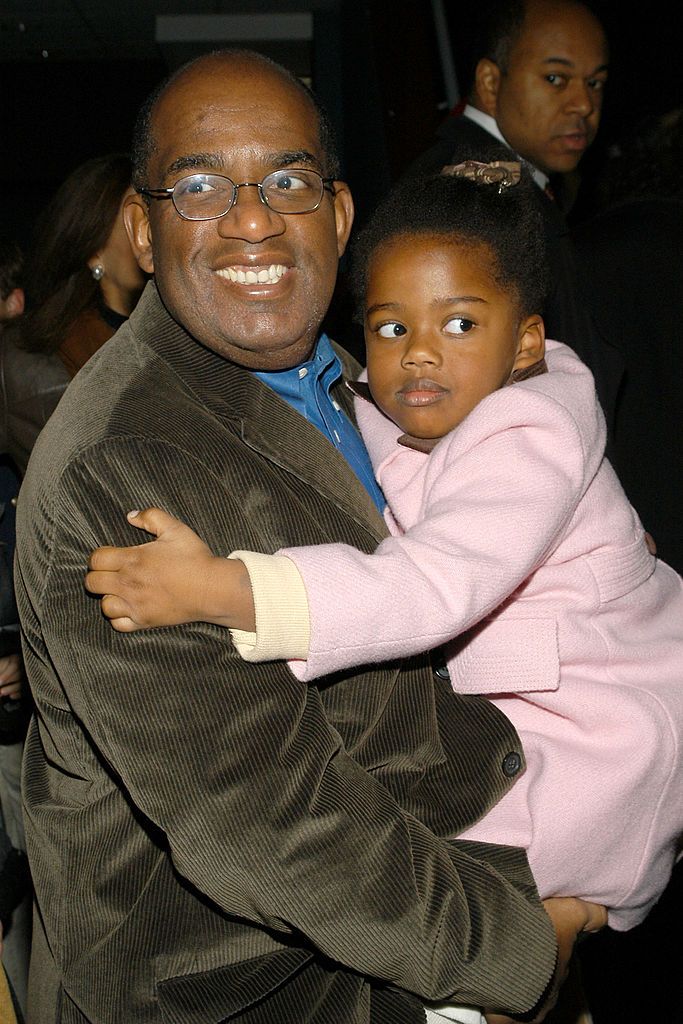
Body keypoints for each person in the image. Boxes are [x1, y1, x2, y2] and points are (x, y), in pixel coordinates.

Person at [14, 50, 601, 1024]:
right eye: (199, 186)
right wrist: (514, 949)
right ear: (140, 232)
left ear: (335, 217)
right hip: (247, 990)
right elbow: (270, 817)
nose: (252, 218)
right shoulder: (120, 463)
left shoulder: (344, 375)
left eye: (286, 180)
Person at [85, 166, 683, 971]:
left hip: (603, 729)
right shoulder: (422, 398)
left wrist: (227, 589)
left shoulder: (528, 434)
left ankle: (563, 920)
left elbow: (432, 581)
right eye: (391, 329)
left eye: (460, 324)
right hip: (542, 703)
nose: (421, 353)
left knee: (446, 884)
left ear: (527, 344)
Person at [402, 0, 623, 444]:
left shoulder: (507, 181)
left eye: (595, 82)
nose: (583, 103)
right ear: (489, 81)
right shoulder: (472, 188)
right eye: (555, 78)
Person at [0, 153, 146, 475]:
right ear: (94, 252)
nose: (149, 233)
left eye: (153, 215)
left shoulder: (192, 338)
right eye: (133, 219)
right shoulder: (24, 365)